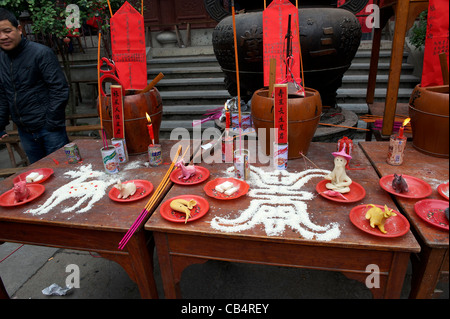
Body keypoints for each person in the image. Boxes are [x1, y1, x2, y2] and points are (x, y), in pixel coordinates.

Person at [0, 8, 70, 163]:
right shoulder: (2, 59)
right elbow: (3, 94)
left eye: (7, 31)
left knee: (62, 171)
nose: (3, 37)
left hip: (49, 129)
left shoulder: (41, 53)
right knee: (37, 175)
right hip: (25, 131)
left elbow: (59, 89)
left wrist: (52, 122)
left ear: (18, 29)